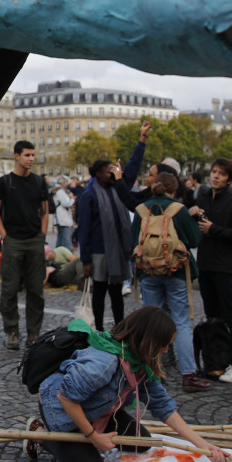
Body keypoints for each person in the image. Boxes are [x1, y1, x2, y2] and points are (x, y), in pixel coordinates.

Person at [34, 307, 230, 462]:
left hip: (97, 410)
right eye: (164, 345)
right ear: (149, 342)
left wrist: (203, 445)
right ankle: (42, 435)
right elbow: (66, 397)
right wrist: (93, 436)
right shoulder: (104, 363)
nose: (165, 350)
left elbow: (162, 405)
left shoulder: (139, 361)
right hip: (63, 413)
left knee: (141, 443)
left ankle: (80, 443)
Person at [132, 171, 210, 391]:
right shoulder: (178, 210)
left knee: (151, 323)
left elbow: (132, 239)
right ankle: (188, 375)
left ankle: (150, 373)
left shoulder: (141, 210)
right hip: (176, 272)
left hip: (148, 271)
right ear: (175, 189)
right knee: (181, 323)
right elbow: (194, 239)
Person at [77, 122, 151, 332]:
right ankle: (100, 328)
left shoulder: (119, 188)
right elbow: (84, 229)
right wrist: (86, 260)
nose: (114, 172)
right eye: (110, 170)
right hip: (99, 251)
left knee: (116, 292)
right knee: (100, 291)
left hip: (117, 250)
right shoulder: (89, 196)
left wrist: (142, 140)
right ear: (99, 174)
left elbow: (133, 166)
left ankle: (119, 327)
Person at [191, 157, 232, 383]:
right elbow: (197, 231)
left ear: (229, 180)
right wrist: (191, 214)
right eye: (214, 172)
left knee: (231, 316)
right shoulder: (204, 198)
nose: (216, 176)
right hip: (205, 265)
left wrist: (214, 229)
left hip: (225, 267)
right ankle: (216, 361)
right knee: (212, 317)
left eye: (222, 174)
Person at [0, 140, 49, 349]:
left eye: (33, 155)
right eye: (27, 155)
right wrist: (5, 236)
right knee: (10, 288)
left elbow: (44, 211)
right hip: (13, 240)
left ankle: (34, 332)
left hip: (34, 239)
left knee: (36, 289)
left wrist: (42, 235)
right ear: (17, 156)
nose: (31, 159)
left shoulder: (39, 182)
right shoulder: (4, 182)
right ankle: (12, 331)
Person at [53, 180, 75, 251]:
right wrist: (72, 199)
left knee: (61, 237)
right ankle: (67, 253)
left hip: (62, 218)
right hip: (62, 218)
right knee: (65, 238)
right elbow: (66, 204)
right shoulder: (61, 192)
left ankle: (58, 253)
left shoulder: (60, 191)